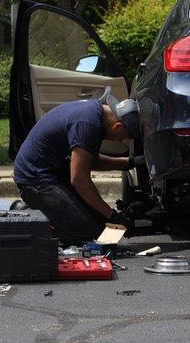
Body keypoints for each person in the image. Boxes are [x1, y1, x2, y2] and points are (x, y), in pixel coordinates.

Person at [14, 95, 142, 245]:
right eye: (124, 137)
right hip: (36, 180)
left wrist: (130, 163)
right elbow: (79, 179)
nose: (120, 140)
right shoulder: (88, 125)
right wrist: (111, 214)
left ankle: (50, 213)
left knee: (104, 230)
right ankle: (30, 215)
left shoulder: (95, 113)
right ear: (117, 126)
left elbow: (88, 161)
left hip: (55, 176)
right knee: (89, 235)